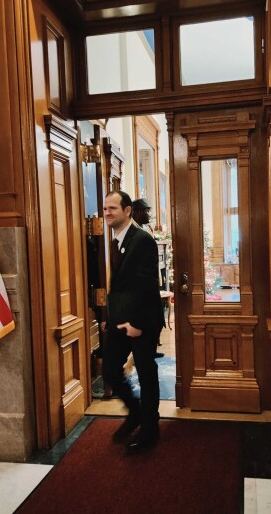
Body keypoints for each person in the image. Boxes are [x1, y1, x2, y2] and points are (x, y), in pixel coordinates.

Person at [102, 190, 164, 453]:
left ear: (127, 211)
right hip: (120, 319)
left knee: (146, 373)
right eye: (105, 209)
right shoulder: (114, 240)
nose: (106, 213)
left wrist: (137, 323)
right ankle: (136, 413)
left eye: (112, 208)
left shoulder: (142, 240)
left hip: (143, 321)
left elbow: (147, 286)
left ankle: (150, 428)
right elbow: (119, 286)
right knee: (110, 370)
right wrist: (110, 318)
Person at [131, 198, 166, 358]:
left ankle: (151, 350)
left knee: (156, 321)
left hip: (150, 282)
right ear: (137, 212)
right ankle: (145, 354)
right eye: (146, 211)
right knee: (149, 321)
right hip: (141, 286)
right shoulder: (133, 231)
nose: (149, 214)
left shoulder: (145, 229)